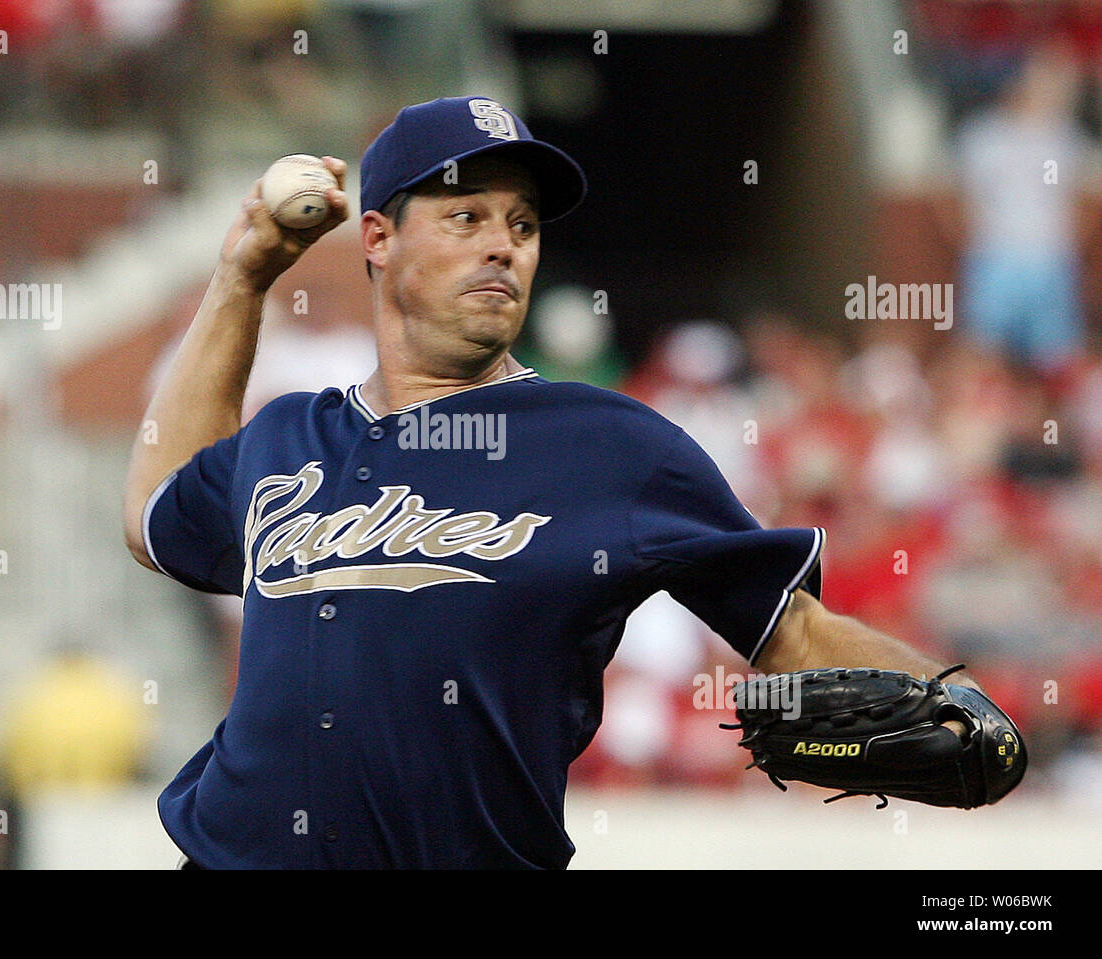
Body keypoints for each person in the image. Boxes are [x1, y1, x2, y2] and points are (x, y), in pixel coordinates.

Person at [123, 96, 986, 869]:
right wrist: (244, 275)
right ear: (378, 239)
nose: (504, 243)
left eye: (523, 225)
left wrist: (957, 704)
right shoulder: (288, 434)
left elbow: (790, 629)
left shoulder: (612, 445)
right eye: (465, 217)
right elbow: (155, 515)